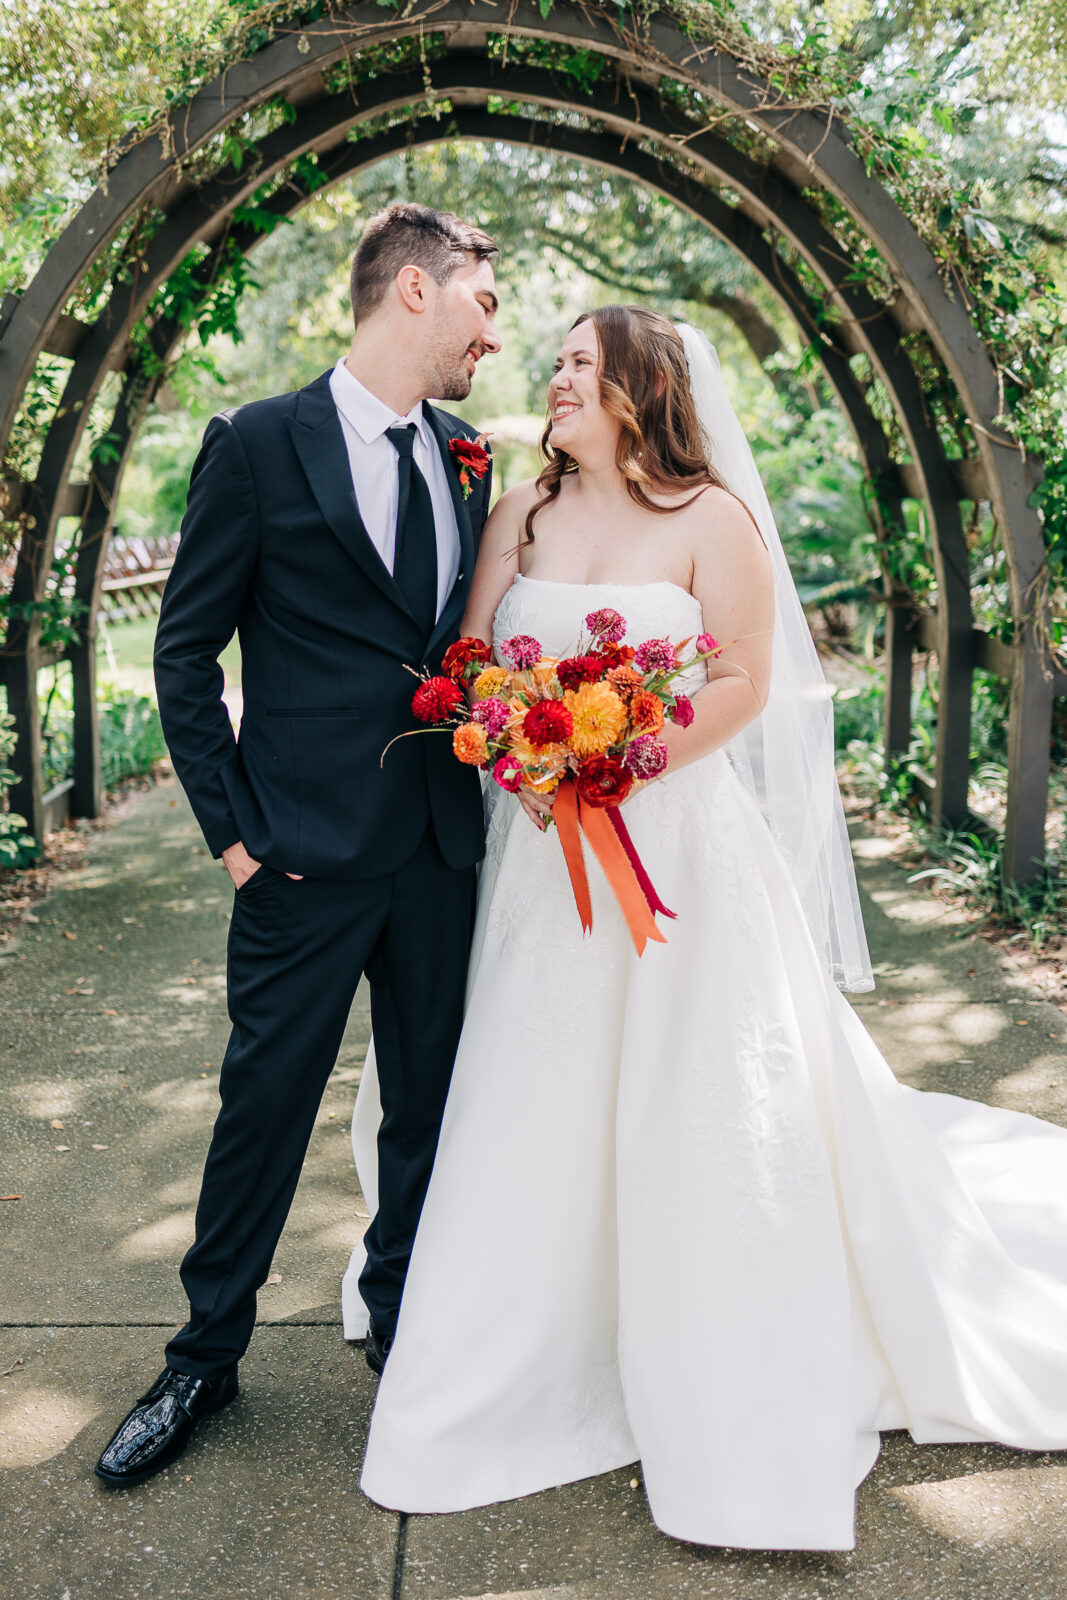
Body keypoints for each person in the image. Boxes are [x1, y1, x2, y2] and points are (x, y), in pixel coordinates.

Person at [351, 305, 1067, 1551]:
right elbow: (471, 655)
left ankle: (705, 1334)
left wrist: (626, 757)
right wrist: (522, 742)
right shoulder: (519, 516)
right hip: (538, 864)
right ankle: (526, 1342)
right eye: (558, 361)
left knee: (690, 1096)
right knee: (532, 1092)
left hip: (672, 856)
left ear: (639, 386)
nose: (557, 377)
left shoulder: (710, 519)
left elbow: (743, 674)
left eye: (580, 361)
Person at [94, 202, 502, 1488]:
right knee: (261, 1109)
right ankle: (202, 1357)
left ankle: (396, 1330)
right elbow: (181, 652)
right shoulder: (258, 444)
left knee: (426, 1115)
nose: (495, 330)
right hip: (298, 859)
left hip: (440, 853)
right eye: (484, 301)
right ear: (416, 292)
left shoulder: (475, 457)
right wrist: (234, 842)